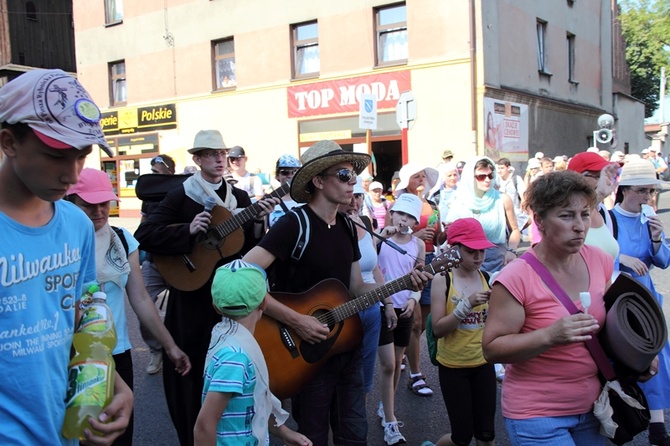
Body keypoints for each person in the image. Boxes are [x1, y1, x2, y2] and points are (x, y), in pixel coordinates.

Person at [242, 140, 432, 446]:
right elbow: (240, 277)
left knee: (354, 435)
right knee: (313, 436)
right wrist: (297, 320)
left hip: (347, 345)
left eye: (354, 175)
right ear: (318, 180)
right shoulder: (294, 224)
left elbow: (356, 286)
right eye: (343, 175)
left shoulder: (346, 226)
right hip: (303, 353)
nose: (353, 182)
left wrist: (401, 285)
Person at [0, 68, 133, 445]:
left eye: (82, 156)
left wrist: (115, 384)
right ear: (9, 141)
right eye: (56, 155)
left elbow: (82, 318)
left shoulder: (75, 224)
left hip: (65, 431)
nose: (73, 175)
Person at [134, 129, 277, 446]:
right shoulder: (182, 196)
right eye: (211, 154)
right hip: (193, 297)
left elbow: (246, 246)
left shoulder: (238, 198)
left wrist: (257, 222)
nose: (219, 159)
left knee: (232, 365)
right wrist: (187, 230)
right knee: (195, 367)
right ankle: (195, 433)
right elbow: (145, 234)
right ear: (197, 159)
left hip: (230, 300)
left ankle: (234, 431)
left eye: (222, 154)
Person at [482, 170, 614, 445]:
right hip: (537, 415)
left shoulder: (600, 260)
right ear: (539, 220)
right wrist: (550, 335)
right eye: (566, 215)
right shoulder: (515, 277)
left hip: (595, 407)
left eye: (585, 214)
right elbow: (492, 348)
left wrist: (640, 356)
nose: (579, 226)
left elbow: (611, 325)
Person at [66, 168, 192, 446]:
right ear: (71, 201)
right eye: (89, 204)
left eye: (104, 203)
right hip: (70, 355)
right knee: (78, 436)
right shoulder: (61, 239)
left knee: (119, 437)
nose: (98, 211)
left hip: (116, 353)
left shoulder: (121, 238)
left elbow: (140, 297)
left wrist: (169, 346)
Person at [194, 260, 311, 446]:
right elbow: (204, 425)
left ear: (215, 306)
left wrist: (285, 433)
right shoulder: (235, 358)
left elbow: (253, 404)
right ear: (264, 303)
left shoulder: (225, 336)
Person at [611, 159, 670, 445]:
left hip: (646, 298)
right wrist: (620, 258)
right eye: (642, 190)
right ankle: (619, 418)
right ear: (623, 190)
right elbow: (592, 254)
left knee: (655, 356)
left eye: (651, 191)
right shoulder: (608, 218)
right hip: (618, 298)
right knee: (621, 358)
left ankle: (658, 425)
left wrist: (658, 239)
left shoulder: (649, 218)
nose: (648, 197)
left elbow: (663, 261)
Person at [422, 218, 496, 446]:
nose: (479, 257)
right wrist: (466, 306)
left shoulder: (485, 277)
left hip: (483, 364)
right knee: (461, 437)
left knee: (487, 435)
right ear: (454, 250)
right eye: (471, 251)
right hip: (453, 367)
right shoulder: (442, 279)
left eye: (482, 250)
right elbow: (438, 329)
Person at [376, 193, 425, 445]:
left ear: (416, 222)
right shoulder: (380, 237)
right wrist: (380, 237)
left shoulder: (418, 245)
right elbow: (370, 269)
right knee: (388, 364)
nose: (404, 220)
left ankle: (387, 404)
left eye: (410, 217)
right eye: (401, 214)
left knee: (396, 360)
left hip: (404, 307)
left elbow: (421, 276)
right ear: (392, 214)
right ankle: (390, 418)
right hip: (382, 306)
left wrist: (413, 299)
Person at [388, 162, 441, 398]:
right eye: (416, 176)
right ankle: (415, 373)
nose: (421, 180)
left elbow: (438, 238)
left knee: (420, 322)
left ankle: (403, 355)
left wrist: (441, 234)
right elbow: (392, 235)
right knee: (413, 318)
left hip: (429, 257)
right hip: (403, 258)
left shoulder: (432, 204)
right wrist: (415, 235)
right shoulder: (399, 205)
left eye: (423, 176)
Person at [446, 156, 520, 274]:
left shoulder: (502, 199)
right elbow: (448, 236)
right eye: (481, 176)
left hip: (498, 263)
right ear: (471, 177)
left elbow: (515, 229)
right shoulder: (460, 201)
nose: (487, 180)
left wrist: (512, 250)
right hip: (466, 264)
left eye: (490, 175)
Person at [141, 154, 177, 375]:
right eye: (152, 171)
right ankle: (156, 350)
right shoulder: (149, 195)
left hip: (180, 264)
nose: (153, 175)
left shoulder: (181, 193)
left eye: (157, 171)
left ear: (169, 173)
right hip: (154, 261)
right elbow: (144, 224)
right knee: (143, 308)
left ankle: (179, 349)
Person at [566, 152, 620, 267]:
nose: (605, 181)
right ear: (578, 177)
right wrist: (599, 195)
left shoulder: (602, 211)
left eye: (607, 175)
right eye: (598, 176)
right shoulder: (562, 212)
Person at [267, 154, 301, 227]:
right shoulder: (270, 200)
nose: (290, 175)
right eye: (285, 172)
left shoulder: (307, 200)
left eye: (294, 171)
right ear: (277, 176)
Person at [496, 157, 528, 233]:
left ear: (508, 168)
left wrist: (523, 205)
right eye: (499, 168)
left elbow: (523, 194)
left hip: (515, 212)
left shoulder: (516, 179)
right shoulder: (496, 180)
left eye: (502, 168)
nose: (500, 171)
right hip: (500, 213)